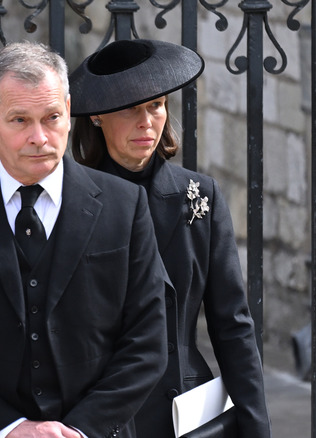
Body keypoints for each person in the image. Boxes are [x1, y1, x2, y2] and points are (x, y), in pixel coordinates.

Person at [0, 41, 168, 438]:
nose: (39, 137)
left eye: (52, 117)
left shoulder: (125, 206)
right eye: (20, 120)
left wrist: (81, 429)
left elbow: (147, 341)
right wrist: (8, 429)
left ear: (70, 113)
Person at [69, 38, 272, 437]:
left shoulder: (200, 196)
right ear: (96, 117)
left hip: (185, 414)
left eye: (156, 105)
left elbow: (232, 324)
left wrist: (256, 427)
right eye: (130, 109)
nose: (147, 122)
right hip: (98, 413)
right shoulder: (70, 201)